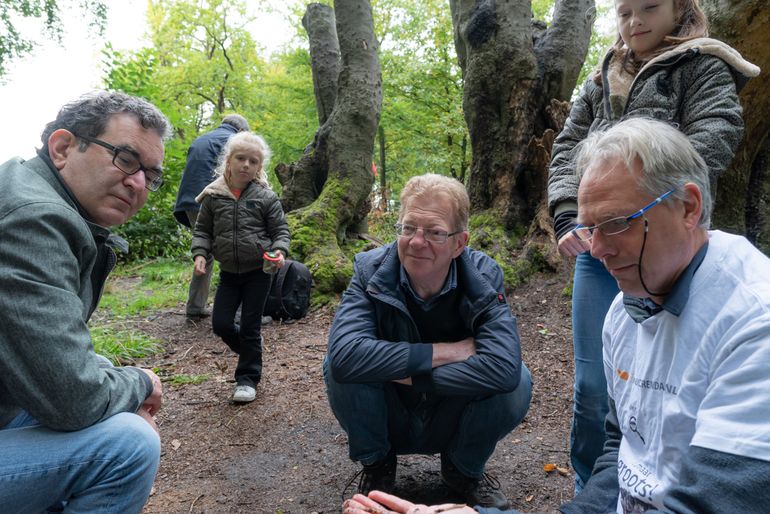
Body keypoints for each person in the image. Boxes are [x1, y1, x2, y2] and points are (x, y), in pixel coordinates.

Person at [345, 118, 770, 514]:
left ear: (688, 207)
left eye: (617, 223)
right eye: (589, 229)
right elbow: (623, 452)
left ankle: (462, 467)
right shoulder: (625, 312)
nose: (597, 251)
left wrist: (398, 367)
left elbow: (715, 501)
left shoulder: (754, 322)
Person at [547, 0, 759, 491]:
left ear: (679, 8)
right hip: (598, 245)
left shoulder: (703, 63)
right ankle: (593, 490)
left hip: (665, 243)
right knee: (594, 385)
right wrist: (569, 215)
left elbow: (719, 128)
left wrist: (645, 190)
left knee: (679, 378)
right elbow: (567, 144)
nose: (634, 21)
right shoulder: (604, 75)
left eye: (648, 7)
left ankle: (677, 482)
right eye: (623, 12)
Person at [0, 91, 170, 512]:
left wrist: (119, 386)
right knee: (128, 445)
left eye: (151, 174)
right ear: (62, 148)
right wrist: (143, 383)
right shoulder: (34, 219)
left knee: (111, 392)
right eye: (126, 159)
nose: (138, 183)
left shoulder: (31, 193)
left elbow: (55, 363)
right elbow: (74, 399)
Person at [326, 174, 533, 509]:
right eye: (408, 228)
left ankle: (462, 470)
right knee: (337, 368)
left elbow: (503, 370)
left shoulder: (483, 276)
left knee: (519, 380)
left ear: (459, 243)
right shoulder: (370, 270)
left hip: (450, 411)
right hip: (390, 409)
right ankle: (377, 464)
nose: (417, 241)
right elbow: (346, 356)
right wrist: (447, 352)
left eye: (435, 232)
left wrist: (408, 371)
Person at [191, 131, 290, 403]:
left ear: (259, 167)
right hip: (229, 274)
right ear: (228, 160)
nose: (246, 165)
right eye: (241, 158)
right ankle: (250, 351)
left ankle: (247, 379)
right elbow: (202, 230)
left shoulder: (265, 197)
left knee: (250, 326)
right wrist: (200, 253)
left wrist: (279, 250)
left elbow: (280, 229)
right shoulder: (213, 195)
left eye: (253, 161)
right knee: (221, 323)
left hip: (259, 272)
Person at [174, 113, 250, 322]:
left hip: (190, 203)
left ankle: (195, 307)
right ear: (242, 131)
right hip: (214, 202)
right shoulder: (234, 141)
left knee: (204, 253)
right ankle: (238, 313)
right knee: (236, 251)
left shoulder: (202, 139)